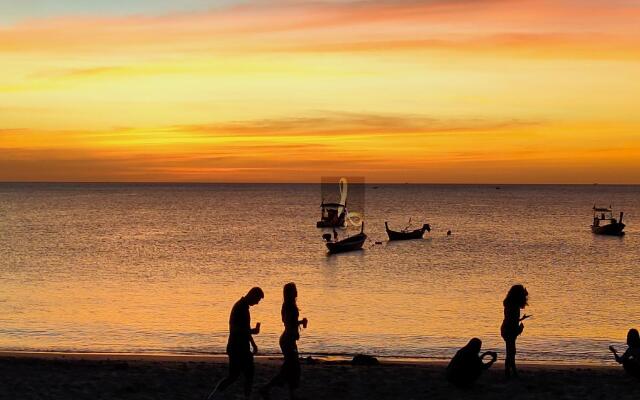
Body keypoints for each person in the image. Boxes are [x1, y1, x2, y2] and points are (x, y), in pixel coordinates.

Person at [208, 287, 264, 400]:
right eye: (257, 299)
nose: (257, 303)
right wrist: (252, 331)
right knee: (238, 375)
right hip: (237, 347)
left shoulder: (243, 307)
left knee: (243, 374)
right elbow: (235, 329)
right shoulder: (240, 307)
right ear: (252, 295)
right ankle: (214, 396)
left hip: (240, 347)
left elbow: (245, 329)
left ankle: (213, 397)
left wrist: (253, 343)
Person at [260, 283, 308, 400]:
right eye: (294, 290)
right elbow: (288, 322)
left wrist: (300, 322)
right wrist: (296, 328)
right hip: (287, 340)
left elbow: (290, 322)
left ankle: (290, 393)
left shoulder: (289, 305)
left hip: (289, 339)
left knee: (292, 368)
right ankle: (266, 388)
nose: (296, 292)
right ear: (289, 293)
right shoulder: (288, 306)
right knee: (291, 368)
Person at [501, 284, 530, 379]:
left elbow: (511, 319)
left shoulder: (510, 304)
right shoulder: (513, 306)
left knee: (511, 351)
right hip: (510, 329)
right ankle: (510, 371)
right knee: (511, 351)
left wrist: (521, 319)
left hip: (507, 328)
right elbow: (512, 320)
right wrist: (519, 329)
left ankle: (510, 371)